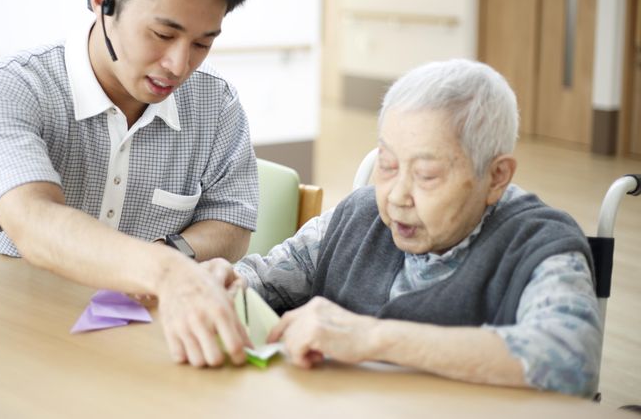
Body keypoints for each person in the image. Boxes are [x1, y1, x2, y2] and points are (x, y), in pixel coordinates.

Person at [0, 0, 258, 368]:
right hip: (11, 324)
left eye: (202, 43)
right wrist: (167, 272)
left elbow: (232, 221)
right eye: (162, 34)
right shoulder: (7, 87)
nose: (179, 65)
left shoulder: (215, 104)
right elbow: (33, 221)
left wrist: (168, 255)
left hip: (134, 338)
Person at [205, 59, 601, 396]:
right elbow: (261, 279)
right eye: (388, 164)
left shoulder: (540, 244)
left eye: (427, 175)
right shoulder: (359, 215)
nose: (396, 196)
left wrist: (371, 338)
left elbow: (571, 358)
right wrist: (221, 284)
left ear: (496, 176)